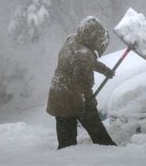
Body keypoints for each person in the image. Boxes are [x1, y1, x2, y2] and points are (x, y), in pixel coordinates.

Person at [46, 16, 117, 149]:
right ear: (91, 37)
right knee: (98, 133)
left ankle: (66, 158)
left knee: (66, 142)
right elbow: (80, 84)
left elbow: (80, 60)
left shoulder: (72, 40)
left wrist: (104, 70)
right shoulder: (84, 55)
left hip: (57, 96)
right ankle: (111, 153)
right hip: (74, 99)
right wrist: (85, 107)